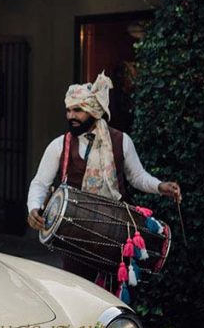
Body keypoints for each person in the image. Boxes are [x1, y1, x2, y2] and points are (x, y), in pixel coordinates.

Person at [26, 72, 181, 280]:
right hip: (74, 236)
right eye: (68, 110)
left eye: (78, 110)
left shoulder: (121, 141)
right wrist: (34, 207)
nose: (71, 116)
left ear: (94, 111)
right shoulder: (59, 145)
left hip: (118, 231)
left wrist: (160, 186)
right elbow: (40, 183)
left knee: (113, 289)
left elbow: (137, 177)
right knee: (78, 289)